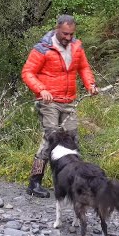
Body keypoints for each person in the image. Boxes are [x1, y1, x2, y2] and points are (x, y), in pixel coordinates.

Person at [21, 14, 98, 198]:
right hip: (48, 101)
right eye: (65, 34)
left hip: (69, 101)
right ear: (57, 29)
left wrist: (90, 85)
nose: (68, 38)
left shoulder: (77, 47)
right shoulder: (43, 48)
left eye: (71, 34)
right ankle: (35, 182)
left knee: (72, 140)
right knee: (51, 139)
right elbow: (28, 72)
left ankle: (74, 181)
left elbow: (84, 68)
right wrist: (41, 90)